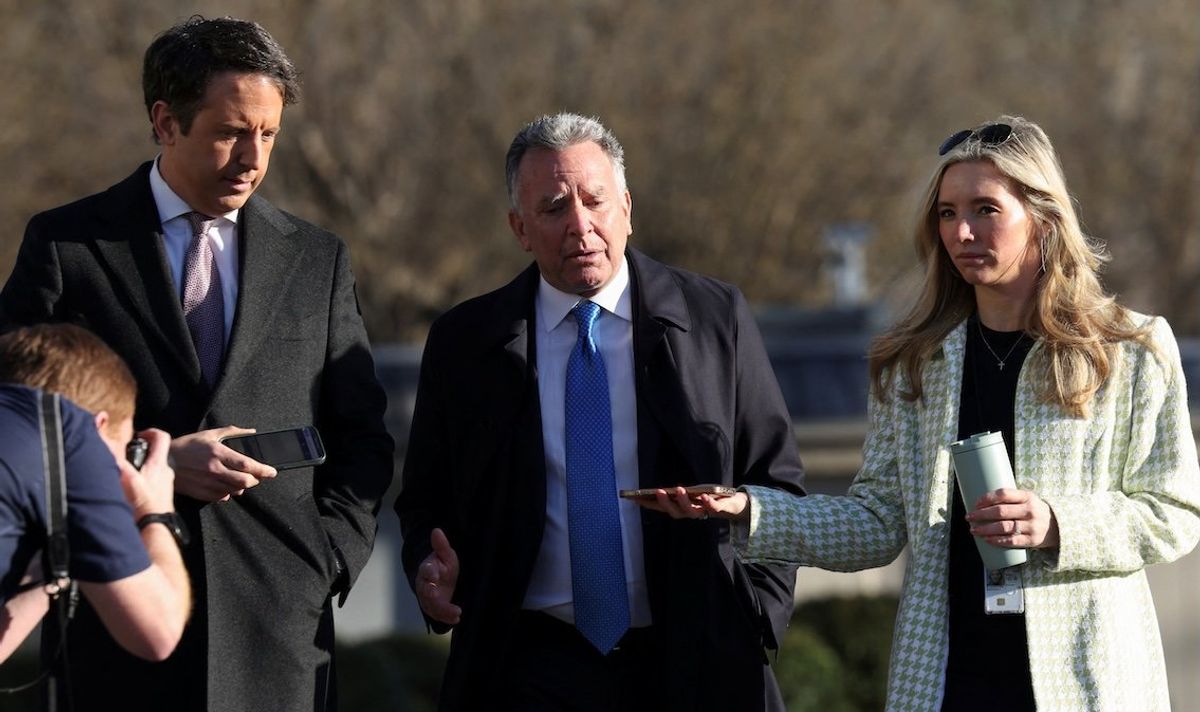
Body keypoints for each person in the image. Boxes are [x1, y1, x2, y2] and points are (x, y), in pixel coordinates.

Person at [648, 116, 1200, 711]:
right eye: (946, 213)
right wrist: (750, 510)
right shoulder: (911, 363)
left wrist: (1057, 523)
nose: (962, 232)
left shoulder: (1130, 349)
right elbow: (879, 523)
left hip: (1087, 684)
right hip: (945, 685)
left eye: (985, 209)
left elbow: (1173, 513)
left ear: (1042, 216)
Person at [0, 16, 394, 712]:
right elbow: (17, 426)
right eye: (231, 131)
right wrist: (155, 464)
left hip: (282, 637)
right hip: (117, 624)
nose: (253, 156)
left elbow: (361, 434)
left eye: (268, 134)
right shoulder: (69, 245)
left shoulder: (317, 258)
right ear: (165, 121)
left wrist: (328, 558)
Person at [395, 112, 807, 711]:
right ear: (519, 228)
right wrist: (427, 571)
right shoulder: (467, 342)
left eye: (595, 201)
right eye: (554, 207)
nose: (580, 226)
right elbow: (424, 497)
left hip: (695, 653)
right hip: (529, 662)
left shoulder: (714, 317)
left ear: (628, 208)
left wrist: (758, 607)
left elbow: (775, 480)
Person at [0, 324, 190, 664]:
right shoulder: (68, 429)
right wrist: (155, 509)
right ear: (101, 426)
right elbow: (158, 634)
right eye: (119, 452)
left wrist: (59, 557)